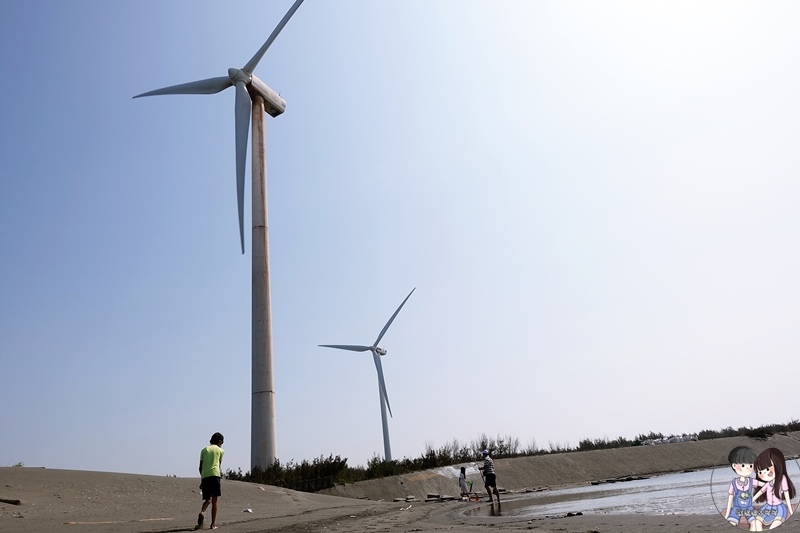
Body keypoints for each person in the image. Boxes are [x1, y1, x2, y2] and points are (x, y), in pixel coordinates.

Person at [752, 447, 795, 530]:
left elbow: (786, 495)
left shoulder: (782, 480)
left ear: (778, 464)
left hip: (779, 509)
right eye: (760, 472)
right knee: (757, 521)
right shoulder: (768, 484)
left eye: (768, 469)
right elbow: (760, 492)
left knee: (774, 526)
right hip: (767, 508)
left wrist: (790, 510)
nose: (764, 473)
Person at [722, 446, 758, 530]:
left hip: (749, 508)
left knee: (755, 522)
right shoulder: (734, 483)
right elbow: (730, 499)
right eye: (743, 465)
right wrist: (727, 514)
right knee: (732, 522)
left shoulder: (751, 481)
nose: (747, 468)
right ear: (734, 465)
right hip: (736, 509)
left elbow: (764, 485)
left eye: (750, 466)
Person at [195, 432, 224, 530]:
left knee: (208, 499)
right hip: (215, 475)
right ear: (220, 442)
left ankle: (202, 512)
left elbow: (200, 467)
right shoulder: (220, 450)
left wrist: (202, 479)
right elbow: (218, 465)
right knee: (215, 501)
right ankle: (213, 524)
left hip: (205, 476)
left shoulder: (204, 450)